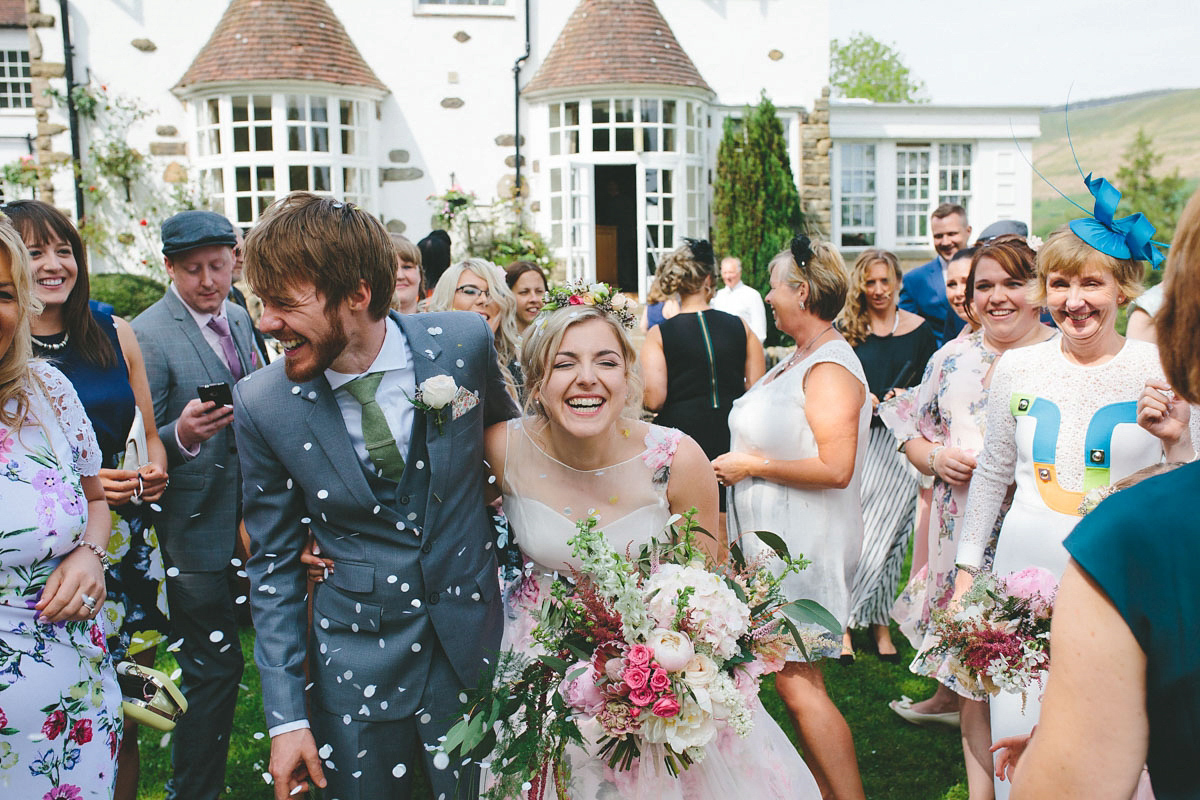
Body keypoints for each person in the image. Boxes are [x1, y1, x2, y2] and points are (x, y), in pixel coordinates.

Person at [233, 193, 518, 800]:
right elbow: (273, 566)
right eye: (261, 302)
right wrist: (286, 719)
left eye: (286, 303)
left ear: (358, 295)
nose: (266, 322)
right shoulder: (262, 403)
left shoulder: (463, 342)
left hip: (474, 646)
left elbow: (509, 449)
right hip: (352, 665)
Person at [486, 289, 822, 799]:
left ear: (628, 377)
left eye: (606, 361)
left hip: (658, 661)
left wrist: (682, 664)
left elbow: (711, 584)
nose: (587, 379)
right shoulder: (502, 448)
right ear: (536, 382)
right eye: (563, 363)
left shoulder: (675, 458)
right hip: (539, 658)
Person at [954, 218, 1198, 799]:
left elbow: (1191, 478)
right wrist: (967, 573)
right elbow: (992, 474)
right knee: (1019, 728)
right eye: (1060, 284)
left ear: (1122, 288)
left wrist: (1176, 441)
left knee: (1112, 741)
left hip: (1118, 578)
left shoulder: (1159, 366)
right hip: (1020, 577)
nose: (1075, 301)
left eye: (1091, 284)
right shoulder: (1017, 366)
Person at [882, 236, 1056, 799]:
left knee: (1044, 668)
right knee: (975, 673)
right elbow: (909, 425)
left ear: (1039, 290)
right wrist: (935, 457)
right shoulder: (950, 359)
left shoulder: (1062, 357)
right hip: (963, 538)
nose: (998, 297)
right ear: (970, 297)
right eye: (985, 285)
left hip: (1038, 537)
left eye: (1013, 282)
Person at [11, 199, 170, 800]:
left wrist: (153, 471)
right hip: (45, 548)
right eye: (34, 253)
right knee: (50, 709)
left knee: (125, 703)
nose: (54, 264)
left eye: (64, 250)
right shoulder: (9, 345)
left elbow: (149, 434)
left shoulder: (113, 328)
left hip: (125, 544)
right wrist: (94, 485)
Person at [713, 236, 869, 800]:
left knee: (799, 684)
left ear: (801, 291)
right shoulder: (798, 360)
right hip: (770, 545)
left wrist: (754, 463)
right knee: (793, 683)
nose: (770, 297)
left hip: (803, 547)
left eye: (776, 285)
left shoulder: (830, 366)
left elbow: (836, 467)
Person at [130, 210, 260, 800]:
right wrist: (181, 432)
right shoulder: (146, 333)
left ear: (235, 258)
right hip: (190, 527)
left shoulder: (240, 316)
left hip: (255, 520)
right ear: (168, 267)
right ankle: (194, 791)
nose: (208, 280)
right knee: (214, 669)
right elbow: (135, 444)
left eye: (218, 265)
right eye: (192, 270)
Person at [0, 215, 122, 797]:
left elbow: (94, 495)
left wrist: (90, 554)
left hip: (78, 692)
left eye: (2, 293)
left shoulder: (48, 390)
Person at [835, 248, 936, 663]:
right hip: (859, 443)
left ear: (898, 283)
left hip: (901, 445)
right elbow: (832, 383)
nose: (878, 290)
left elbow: (932, 388)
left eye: (885, 281)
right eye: (870, 282)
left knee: (893, 537)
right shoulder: (847, 329)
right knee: (861, 535)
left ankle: (874, 620)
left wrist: (905, 396)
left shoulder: (921, 330)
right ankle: (846, 622)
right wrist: (861, 397)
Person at [641, 239, 764, 522]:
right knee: (730, 524)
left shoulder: (659, 334)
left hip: (681, 440)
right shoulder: (740, 327)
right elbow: (756, 391)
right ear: (709, 279)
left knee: (686, 526)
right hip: (732, 436)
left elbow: (654, 398)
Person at [428, 258, 521, 400]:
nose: (483, 299)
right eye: (470, 291)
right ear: (446, 298)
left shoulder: (520, 362)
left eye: (493, 292)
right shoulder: (428, 361)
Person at [900, 203, 972, 346]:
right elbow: (907, 334)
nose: (945, 242)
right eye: (939, 236)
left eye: (952, 234)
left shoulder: (986, 270)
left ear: (968, 231)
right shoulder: (915, 281)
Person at [712, 255, 767, 342]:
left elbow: (760, 332)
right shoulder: (717, 296)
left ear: (739, 273)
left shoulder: (752, 295)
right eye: (724, 273)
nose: (727, 276)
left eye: (731, 272)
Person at [504, 260, 547, 338]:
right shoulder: (496, 343)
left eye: (539, 291)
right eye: (524, 292)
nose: (534, 299)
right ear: (508, 295)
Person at [389, 233, 425, 315]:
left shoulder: (437, 323)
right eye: (391, 268)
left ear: (420, 275)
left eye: (407, 267)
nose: (399, 276)